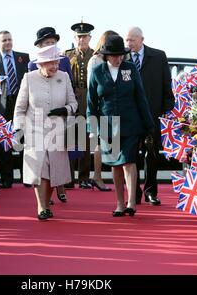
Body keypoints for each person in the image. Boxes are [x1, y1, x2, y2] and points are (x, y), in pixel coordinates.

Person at [87, 35, 154, 217]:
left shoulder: (130, 69)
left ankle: (131, 201)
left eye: (120, 55)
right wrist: (92, 128)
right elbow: (91, 103)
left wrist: (149, 125)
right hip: (108, 126)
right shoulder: (98, 72)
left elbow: (141, 97)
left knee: (128, 161)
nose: (118, 58)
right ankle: (119, 203)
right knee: (115, 165)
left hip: (131, 124)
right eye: (114, 55)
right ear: (106, 55)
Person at [13, 45, 77, 220]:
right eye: (51, 63)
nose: (55, 66)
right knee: (40, 169)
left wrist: (65, 110)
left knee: (53, 172)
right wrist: (19, 129)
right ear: (41, 63)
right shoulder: (29, 78)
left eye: (57, 62)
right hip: (34, 130)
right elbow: (19, 108)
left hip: (57, 131)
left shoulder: (64, 77)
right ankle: (42, 207)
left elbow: (73, 103)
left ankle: (46, 204)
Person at [125, 26, 174, 205]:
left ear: (141, 39)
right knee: (132, 156)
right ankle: (134, 192)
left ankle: (151, 191)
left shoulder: (158, 56)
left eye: (132, 40)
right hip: (131, 116)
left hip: (152, 114)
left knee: (152, 154)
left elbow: (166, 84)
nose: (128, 44)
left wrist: (167, 109)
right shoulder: (122, 57)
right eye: (127, 40)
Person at [28, 26, 73, 202]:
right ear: (40, 46)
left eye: (53, 42)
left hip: (60, 115)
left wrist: (67, 109)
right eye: (47, 42)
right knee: (44, 159)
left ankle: (59, 186)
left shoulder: (64, 61)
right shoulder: (32, 65)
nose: (51, 45)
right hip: (40, 119)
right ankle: (46, 198)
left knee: (59, 157)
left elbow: (69, 84)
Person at [0, 30, 30, 189]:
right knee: (5, 145)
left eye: (9, 39)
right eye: (4, 40)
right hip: (1, 108)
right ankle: (6, 179)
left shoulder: (23, 58)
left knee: (23, 142)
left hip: (21, 106)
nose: (8, 42)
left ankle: (27, 177)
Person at [86, 30, 119, 192]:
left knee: (108, 143)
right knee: (101, 142)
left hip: (111, 109)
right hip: (100, 108)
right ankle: (97, 176)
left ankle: (99, 176)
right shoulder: (95, 60)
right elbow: (91, 87)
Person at [63, 20, 95, 190]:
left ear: (90, 38)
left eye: (85, 37)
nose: (82, 40)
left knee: (85, 143)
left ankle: (83, 177)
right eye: (79, 37)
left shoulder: (95, 55)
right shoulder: (67, 55)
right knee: (70, 141)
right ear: (74, 38)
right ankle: (68, 178)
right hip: (70, 100)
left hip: (88, 101)